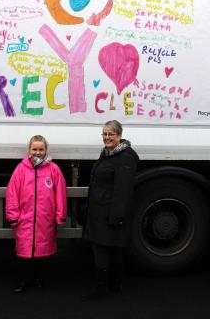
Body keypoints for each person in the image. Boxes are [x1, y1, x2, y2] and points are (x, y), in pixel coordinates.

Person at [84, 120, 139, 298]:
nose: (107, 137)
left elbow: (123, 190)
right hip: (102, 211)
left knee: (103, 249)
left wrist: (116, 216)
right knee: (113, 248)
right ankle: (115, 285)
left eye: (111, 134)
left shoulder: (125, 157)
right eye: (105, 134)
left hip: (109, 214)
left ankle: (102, 288)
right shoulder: (108, 153)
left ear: (119, 135)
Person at [5, 135, 67, 293]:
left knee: (41, 251)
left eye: (41, 149)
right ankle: (24, 280)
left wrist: (60, 214)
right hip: (25, 219)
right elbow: (12, 193)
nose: (38, 152)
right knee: (24, 252)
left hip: (44, 219)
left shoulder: (53, 169)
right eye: (35, 149)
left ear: (46, 150)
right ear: (29, 150)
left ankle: (37, 278)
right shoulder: (21, 169)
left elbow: (60, 193)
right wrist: (13, 215)